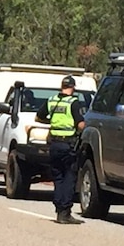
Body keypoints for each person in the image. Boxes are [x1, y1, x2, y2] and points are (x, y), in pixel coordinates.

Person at [36, 75, 85, 225]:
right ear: (73, 87)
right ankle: (65, 212)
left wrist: (53, 123)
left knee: (58, 177)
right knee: (69, 177)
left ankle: (59, 210)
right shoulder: (73, 102)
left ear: (61, 86)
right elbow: (81, 124)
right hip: (68, 144)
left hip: (54, 144)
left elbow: (38, 118)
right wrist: (80, 131)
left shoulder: (52, 100)